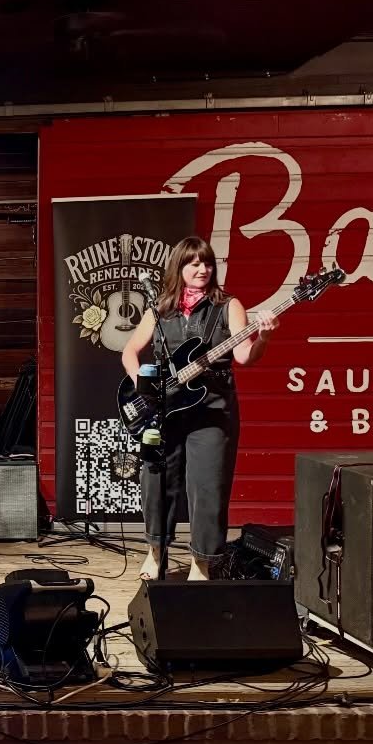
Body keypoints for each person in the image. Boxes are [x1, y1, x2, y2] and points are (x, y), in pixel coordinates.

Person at [120, 235, 278, 581]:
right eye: (194, 263)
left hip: (212, 409)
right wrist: (142, 387)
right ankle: (154, 551)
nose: (202, 269)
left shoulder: (227, 306)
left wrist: (263, 336)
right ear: (179, 267)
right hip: (163, 410)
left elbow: (244, 356)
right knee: (156, 479)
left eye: (207, 263)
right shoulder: (160, 308)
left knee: (208, 486)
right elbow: (129, 352)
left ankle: (201, 563)